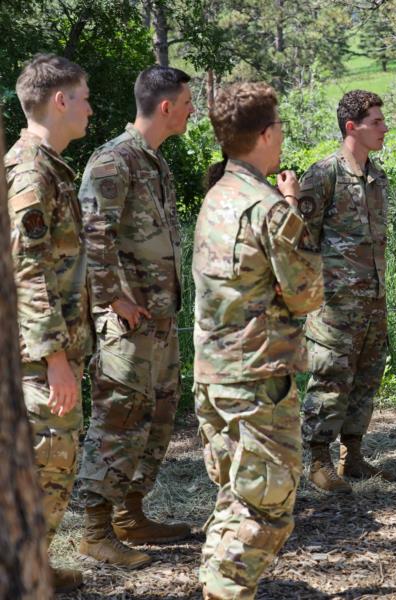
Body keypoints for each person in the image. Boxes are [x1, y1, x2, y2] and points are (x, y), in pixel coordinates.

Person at [193, 82, 323, 599]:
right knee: (266, 508)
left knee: (234, 496)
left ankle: (216, 585)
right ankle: (225, 591)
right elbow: (306, 294)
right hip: (259, 380)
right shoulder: (268, 208)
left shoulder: (216, 197)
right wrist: (293, 209)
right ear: (267, 134)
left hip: (214, 377)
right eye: (280, 127)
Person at [77, 65, 194, 568]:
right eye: (188, 103)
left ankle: (130, 514)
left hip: (160, 320)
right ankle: (94, 531)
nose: (194, 111)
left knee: (157, 418)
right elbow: (91, 235)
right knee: (118, 420)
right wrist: (113, 299)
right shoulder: (113, 162)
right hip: (127, 324)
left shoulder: (155, 162)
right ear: (165, 107)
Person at [5, 53, 92, 593]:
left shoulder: (48, 165)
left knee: (53, 466)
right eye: (83, 97)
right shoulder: (31, 172)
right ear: (60, 101)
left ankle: (32, 563)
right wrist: (54, 359)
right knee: (45, 467)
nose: (89, 109)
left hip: (51, 350)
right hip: (37, 359)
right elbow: (26, 271)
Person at [297, 90, 395, 494]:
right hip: (334, 307)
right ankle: (318, 462)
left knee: (366, 380)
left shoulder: (377, 176)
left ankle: (352, 456)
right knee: (329, 380)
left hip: (372, 300)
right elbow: (300, 240)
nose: (384, 128)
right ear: (351, 127)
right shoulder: (322, 176)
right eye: (376, 122)